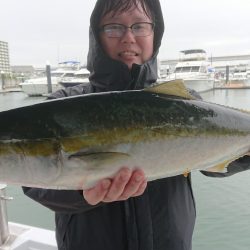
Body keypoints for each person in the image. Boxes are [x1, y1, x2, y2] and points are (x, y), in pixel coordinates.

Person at [23, 0, 250, 249]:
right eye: (114, 27)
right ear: (96, 37)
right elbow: (32, 179)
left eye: (139, 26)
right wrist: (81, 193)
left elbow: (213, 163)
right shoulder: (65, 103)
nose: (128, 37)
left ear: (155, 33)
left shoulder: (182, 102)